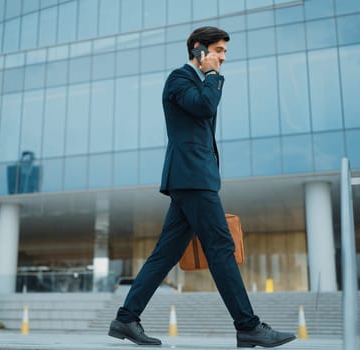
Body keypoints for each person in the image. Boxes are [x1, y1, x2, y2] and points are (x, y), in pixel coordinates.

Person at [108, 26, 296, 348]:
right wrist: (211, 74)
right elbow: (205, 106)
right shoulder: (180, 80)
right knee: (221, 247)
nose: (223, 57)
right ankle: (248, 326)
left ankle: (126, 319)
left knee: (165, 255)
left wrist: (210, 76)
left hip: (194, 177)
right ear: (198, 49)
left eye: (224, 52)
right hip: (192, 177)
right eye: (218, 50)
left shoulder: (198, 82)